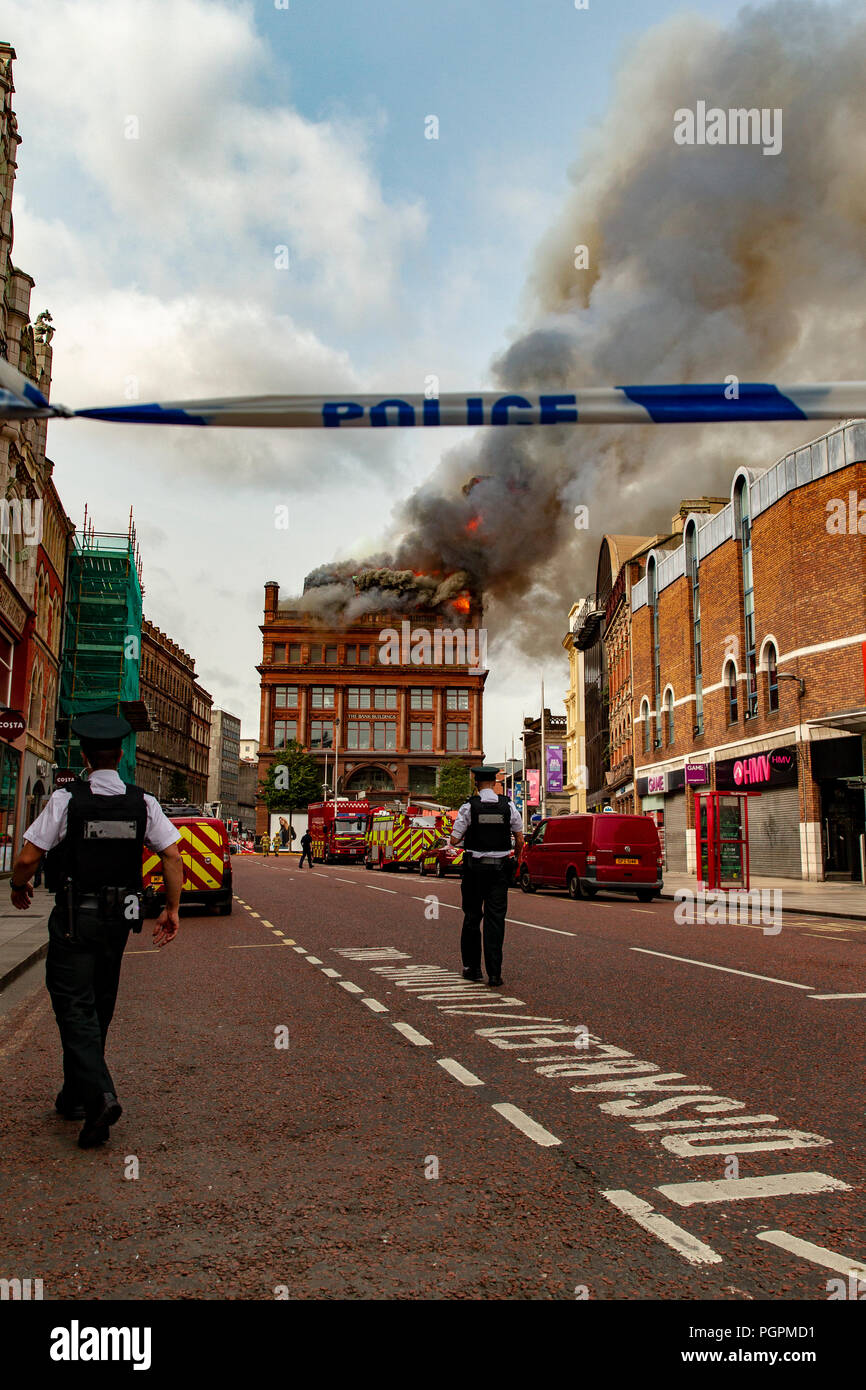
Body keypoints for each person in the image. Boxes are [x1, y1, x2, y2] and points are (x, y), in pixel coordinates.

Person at [9, 712, 183, 1150]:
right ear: (121, 755)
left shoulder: (69, 799)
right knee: (98, 1005)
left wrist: (17, 884)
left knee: (73, 1006)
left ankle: (100, 1096)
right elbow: (173, 856)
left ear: (85, 757)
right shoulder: (142, 802)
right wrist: (173, 910)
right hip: (120, 920)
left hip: (75, 918)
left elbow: (29, 858)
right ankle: (76, 1097)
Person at [450, 764, 523, 987]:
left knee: (472, 918)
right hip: (500, 871)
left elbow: (454, 840)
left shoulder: (468, 807)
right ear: (494, 783)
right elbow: (519, 839)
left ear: (476, 783)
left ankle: (472, 969)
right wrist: (516, 860)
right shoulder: (508, 805)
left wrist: (465, 839)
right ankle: (494, 973)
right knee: (496, 920)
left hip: (474, 870)